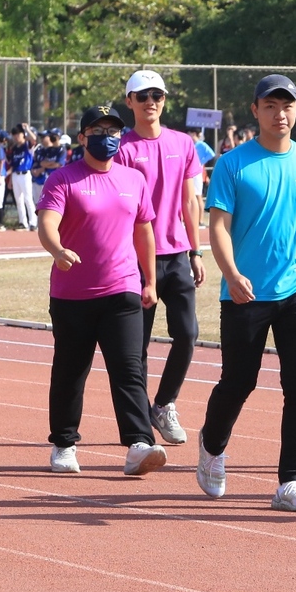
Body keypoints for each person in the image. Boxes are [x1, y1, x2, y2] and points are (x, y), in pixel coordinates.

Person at [195, 74, 296, 513]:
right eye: (271, 106)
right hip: (245, 292)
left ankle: (292, 482)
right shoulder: (234, 164)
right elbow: (217, 225)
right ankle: (212, 445)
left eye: (288, 106)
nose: (280, 114)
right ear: (255, 110)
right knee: (239, 381)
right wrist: (232, 273)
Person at [38, 105, 167, 476]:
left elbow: (144, 230)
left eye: (113, 131)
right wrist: (57, 249)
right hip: (72, 294)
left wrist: (150, 280)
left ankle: (139, 442)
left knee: (129, 369)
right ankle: (64, 443)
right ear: (82, 137)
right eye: (97, 130)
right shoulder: (63, 179)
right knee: (71, 370)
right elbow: (48, 223)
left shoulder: (133, 179)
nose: (107, 137)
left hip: (122, 290)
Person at [117, 69, 205, 447]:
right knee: (136, 347)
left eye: (158, 95)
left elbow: (190, 200)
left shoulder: (183, 144)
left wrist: (197, 250)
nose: (151, 101)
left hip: (177, 254)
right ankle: (139, 427)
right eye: (142, 96)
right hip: (136, 260)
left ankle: (164, 404)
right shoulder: (123, 148)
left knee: (187, 334)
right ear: (129, 102)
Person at [7, 124, 38, 231]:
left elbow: (34, 139)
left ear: (22, 134)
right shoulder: (15, 148)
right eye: (14, 135)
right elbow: (13, 165)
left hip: (25, 174)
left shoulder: (27, 145)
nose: (16, 137)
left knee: (28, 199)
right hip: (16, 175)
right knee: (18, 200)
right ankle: (22, 222)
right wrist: (10, 180)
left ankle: (33, 222)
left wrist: (27, 129)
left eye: (18, 134)